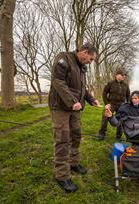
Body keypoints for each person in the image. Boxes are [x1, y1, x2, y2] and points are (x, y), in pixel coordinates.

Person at [48, 42, 100, 193]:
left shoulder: (82, 68)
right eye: (90, 59)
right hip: (60, 107)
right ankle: (62, 176)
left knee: (76, 135)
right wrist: (72, 101)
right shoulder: (63, 58)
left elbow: (82, 88)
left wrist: (91, 100)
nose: (90, 63)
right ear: (84, 52)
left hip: (75, 109)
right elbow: (58, 82)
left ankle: (73, 163)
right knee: (62, 139)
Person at [97, 70, 130, 141]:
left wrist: (128, 105)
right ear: (117, 75)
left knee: (121, 119)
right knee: (105, 116)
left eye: (124, 75)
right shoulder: (110, 83)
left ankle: (118, 136)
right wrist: (106, 104)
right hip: (111, 104)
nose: (124, 76)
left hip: (121, 105)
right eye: (122, 75)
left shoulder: (126, 85)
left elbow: (128, 96)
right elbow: (104, 93)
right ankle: (101, 134)